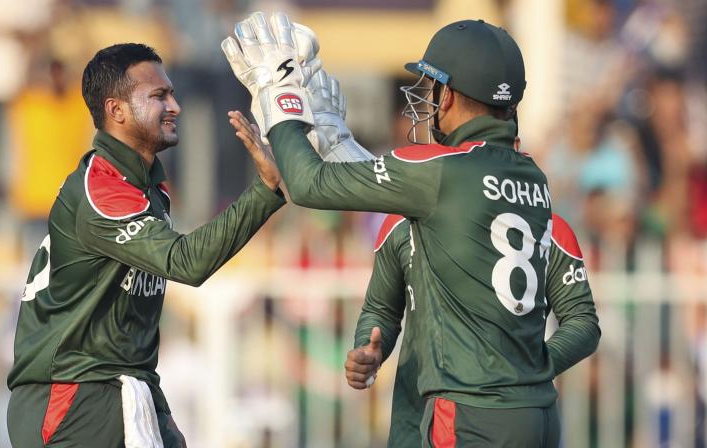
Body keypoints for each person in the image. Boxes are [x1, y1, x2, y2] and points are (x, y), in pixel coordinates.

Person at [224, 14, 601, 446]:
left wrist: (280, 93)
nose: (426, 99)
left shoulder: (436, 172)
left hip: (464, 414)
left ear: (451, 96)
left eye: (432, 87)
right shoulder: (534, 185)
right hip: (528, 414)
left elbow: (309, 185)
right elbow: (384, 306)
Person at [6, 43, 285, 448]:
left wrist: (158, 407)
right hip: (73, 394)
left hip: (115, 386)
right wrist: (264, 190)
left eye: (171, 93)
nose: (175, 106)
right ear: (116, 110)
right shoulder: (102, 189)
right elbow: (186, 262)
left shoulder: (145, 185)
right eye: (158, 96)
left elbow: (127, 324)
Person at [348, 211, 600, 446]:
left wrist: (524, 369)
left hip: (514, 416)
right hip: (417, 415)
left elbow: (583, 322)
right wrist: (368, 349)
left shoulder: (547, 226)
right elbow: (380, 310)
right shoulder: (401, 223)